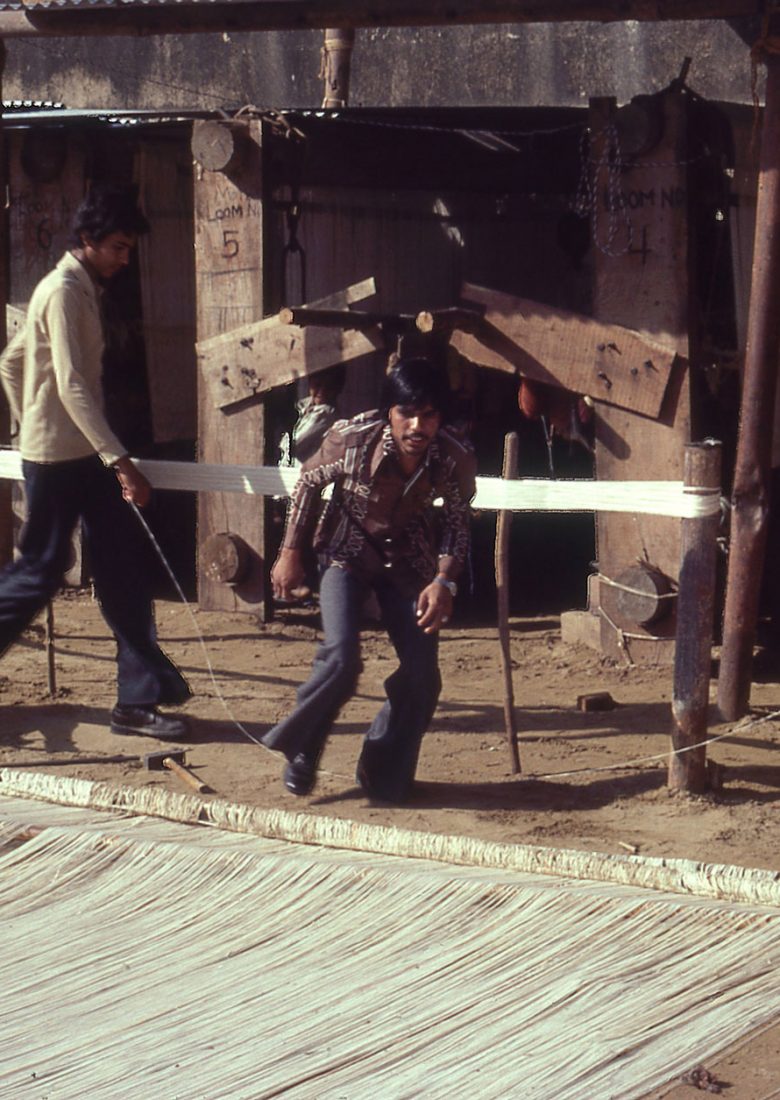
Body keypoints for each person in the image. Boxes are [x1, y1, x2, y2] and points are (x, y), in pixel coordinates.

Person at [0, 184, 191, 740]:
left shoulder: (80, 287)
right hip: (62, 461)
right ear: (89, 240)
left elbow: (11, 365)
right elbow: (72, 384)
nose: (125, 259)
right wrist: (120, 461)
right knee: (39, 570)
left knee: (122, 571)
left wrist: (28, 418)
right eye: (118, 248)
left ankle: (136, 701)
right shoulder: (61, 290)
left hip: (79, 453)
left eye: (129, 250)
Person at [262, 357, 477, 803]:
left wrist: (444, 581)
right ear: (389, 413)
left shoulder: (453, 458)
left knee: (421, 677)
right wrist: (289, 553)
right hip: (346, 555)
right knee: (341, 659)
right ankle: (306, 743)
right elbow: (307, 485)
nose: (418, 426)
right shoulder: (351, 438)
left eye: (430, 415)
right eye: (407, 413)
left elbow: (457, 522)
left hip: (410, 567)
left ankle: (382, 769)